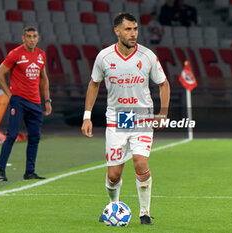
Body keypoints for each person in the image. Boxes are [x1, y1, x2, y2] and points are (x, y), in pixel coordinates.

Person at [81, 12, 170, 225]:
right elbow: (94, 84)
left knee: (140, 162)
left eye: (135, 29)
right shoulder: (104, 57)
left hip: (142, 117)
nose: (133, 34)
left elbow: (163, 83)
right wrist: (87, 116)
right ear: (117, 31)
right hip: (117, 118)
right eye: (128, 29)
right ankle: (114, 207)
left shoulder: (147, 56)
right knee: (113, 175)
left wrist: (163, 113)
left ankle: (145, 212)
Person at [0, 26, 52, 181]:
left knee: (34, 137)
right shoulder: (15, 54)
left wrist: (47, 100)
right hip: (19, 101)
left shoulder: (41, 55)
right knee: (12, 135)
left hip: (35, 102)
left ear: (38, 38)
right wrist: (10, 96)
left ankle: (30, 172)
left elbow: (44, 78)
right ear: (23, 38)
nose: (32, 39)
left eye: (34, 36)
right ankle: (1, 171)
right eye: (28, 36)